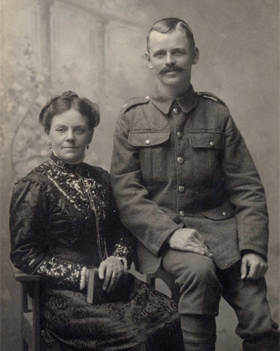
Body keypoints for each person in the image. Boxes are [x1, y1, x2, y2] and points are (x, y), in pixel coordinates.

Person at [110, 18, 279, 351]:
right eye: (160, 53)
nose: (169, 60)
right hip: (160, 238)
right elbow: (126, 193)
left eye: (178, 51)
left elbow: (247, 188)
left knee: (257, 312)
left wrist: (253, 247)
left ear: (194, 55)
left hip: (223, 235)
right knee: (198, 272)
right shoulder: (132, 118)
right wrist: (171, 232)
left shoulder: (218, 116)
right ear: (148, 60)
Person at [9, 91, 184, 351]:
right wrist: (80, 275)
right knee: (137, 338)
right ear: (48, 133)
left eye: (79, 130)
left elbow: (123, 232)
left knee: (171, 315)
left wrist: (119, 259)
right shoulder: (35, 186)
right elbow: (24, 254)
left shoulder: (103, 180)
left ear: (89, 136)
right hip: (63, 297)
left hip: (114, 285)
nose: (70, 137)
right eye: (61, 129)